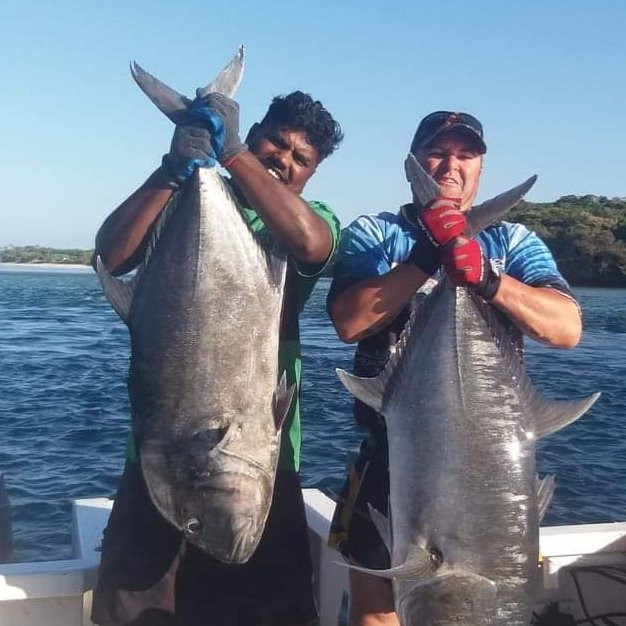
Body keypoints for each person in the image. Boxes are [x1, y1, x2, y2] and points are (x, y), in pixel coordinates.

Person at [91, 90, 343, 626]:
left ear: (311, 176)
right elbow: (111, 255)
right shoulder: (180, 196)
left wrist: (232, 156)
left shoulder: (305, 219)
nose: (284, 160)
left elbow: (311, 243)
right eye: (276, 142)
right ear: (254, 133)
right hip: (159, 467)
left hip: (257, 473)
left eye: (302, 160)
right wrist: (174, 168)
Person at [326, 111, 582, 626]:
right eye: (438, 152)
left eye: (465, 154)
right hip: (390, 453)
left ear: (480, 166)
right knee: (376, 615)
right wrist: (428, 254)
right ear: (415, 161)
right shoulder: (376, 234)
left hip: (491, 463)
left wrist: (485, 276)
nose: (451, 164)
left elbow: (565, 329)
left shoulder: (512, 242)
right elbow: (350, 322)